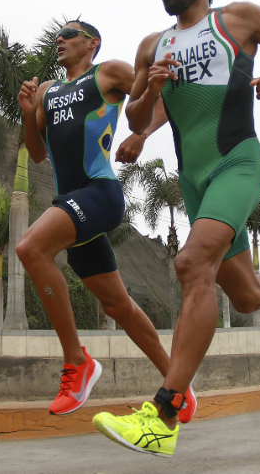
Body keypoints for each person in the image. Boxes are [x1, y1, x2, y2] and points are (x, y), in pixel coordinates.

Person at [92, 0, 260, 457]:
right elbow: (138, 111)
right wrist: (147, 115)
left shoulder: (238, 18)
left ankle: (164, 415)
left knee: (192, 263)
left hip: (237, 161)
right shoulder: (152, 46)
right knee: (247, 295)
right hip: (194, 180)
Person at [15, 21, 195, 420]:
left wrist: (143, 134)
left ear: (92, 43)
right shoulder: (47, 90)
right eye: (58, 35)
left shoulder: (108, 72)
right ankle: (176, 384)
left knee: (30, 248)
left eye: (70, 33)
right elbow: (37, 153)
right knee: (119, 306)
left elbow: (161, 97)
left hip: (99, 194)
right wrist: (29, 114)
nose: (60, 39)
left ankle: (76, 362)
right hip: (70, 201)